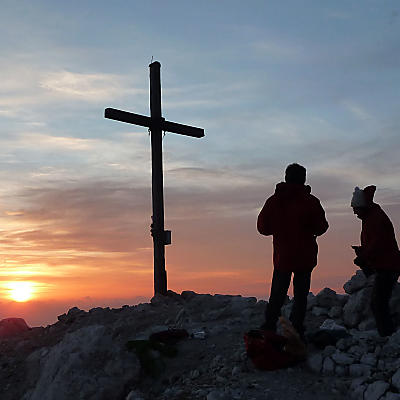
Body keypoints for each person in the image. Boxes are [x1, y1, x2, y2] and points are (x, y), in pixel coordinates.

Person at [257, 163, 329, 338]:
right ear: (303, 179)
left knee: (277, 295)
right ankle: (296, 330)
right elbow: (321, 227)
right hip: (305, 257)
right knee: (300, 296)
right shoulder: (311, 202)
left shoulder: (274, 201)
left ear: (286, 177)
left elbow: (262, 228)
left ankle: (269, 327)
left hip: (283, 256)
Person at [351, 185, 400, 336]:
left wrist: (363, 256)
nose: (354, 212)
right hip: (387, 264)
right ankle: (388, 335)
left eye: (355, 208)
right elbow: (375, 244)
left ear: (362, 207)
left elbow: (378, 244)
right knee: (379, 302)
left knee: (378, 303)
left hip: (388, 266)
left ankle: (387, 336)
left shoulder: (375, 219)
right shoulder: (371, 217)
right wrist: (363, 251)